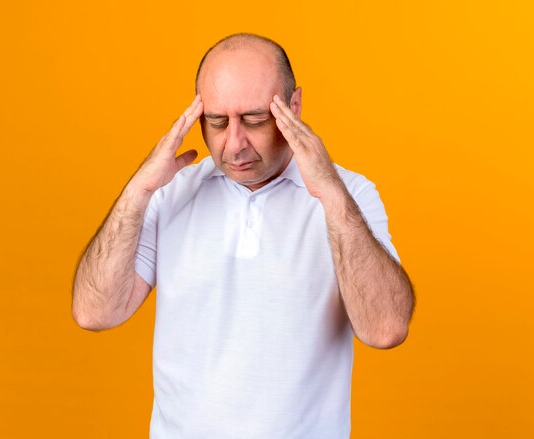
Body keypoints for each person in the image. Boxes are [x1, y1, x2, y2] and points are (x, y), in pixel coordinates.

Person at [72, 33, 415, 439]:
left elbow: (385, 329)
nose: (234, 144)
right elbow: (95, 312)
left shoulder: (350, 196)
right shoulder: (170, 193)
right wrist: (138, 192)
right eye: (216, 122)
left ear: (294, 108)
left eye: (254, 120)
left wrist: (330, 194)